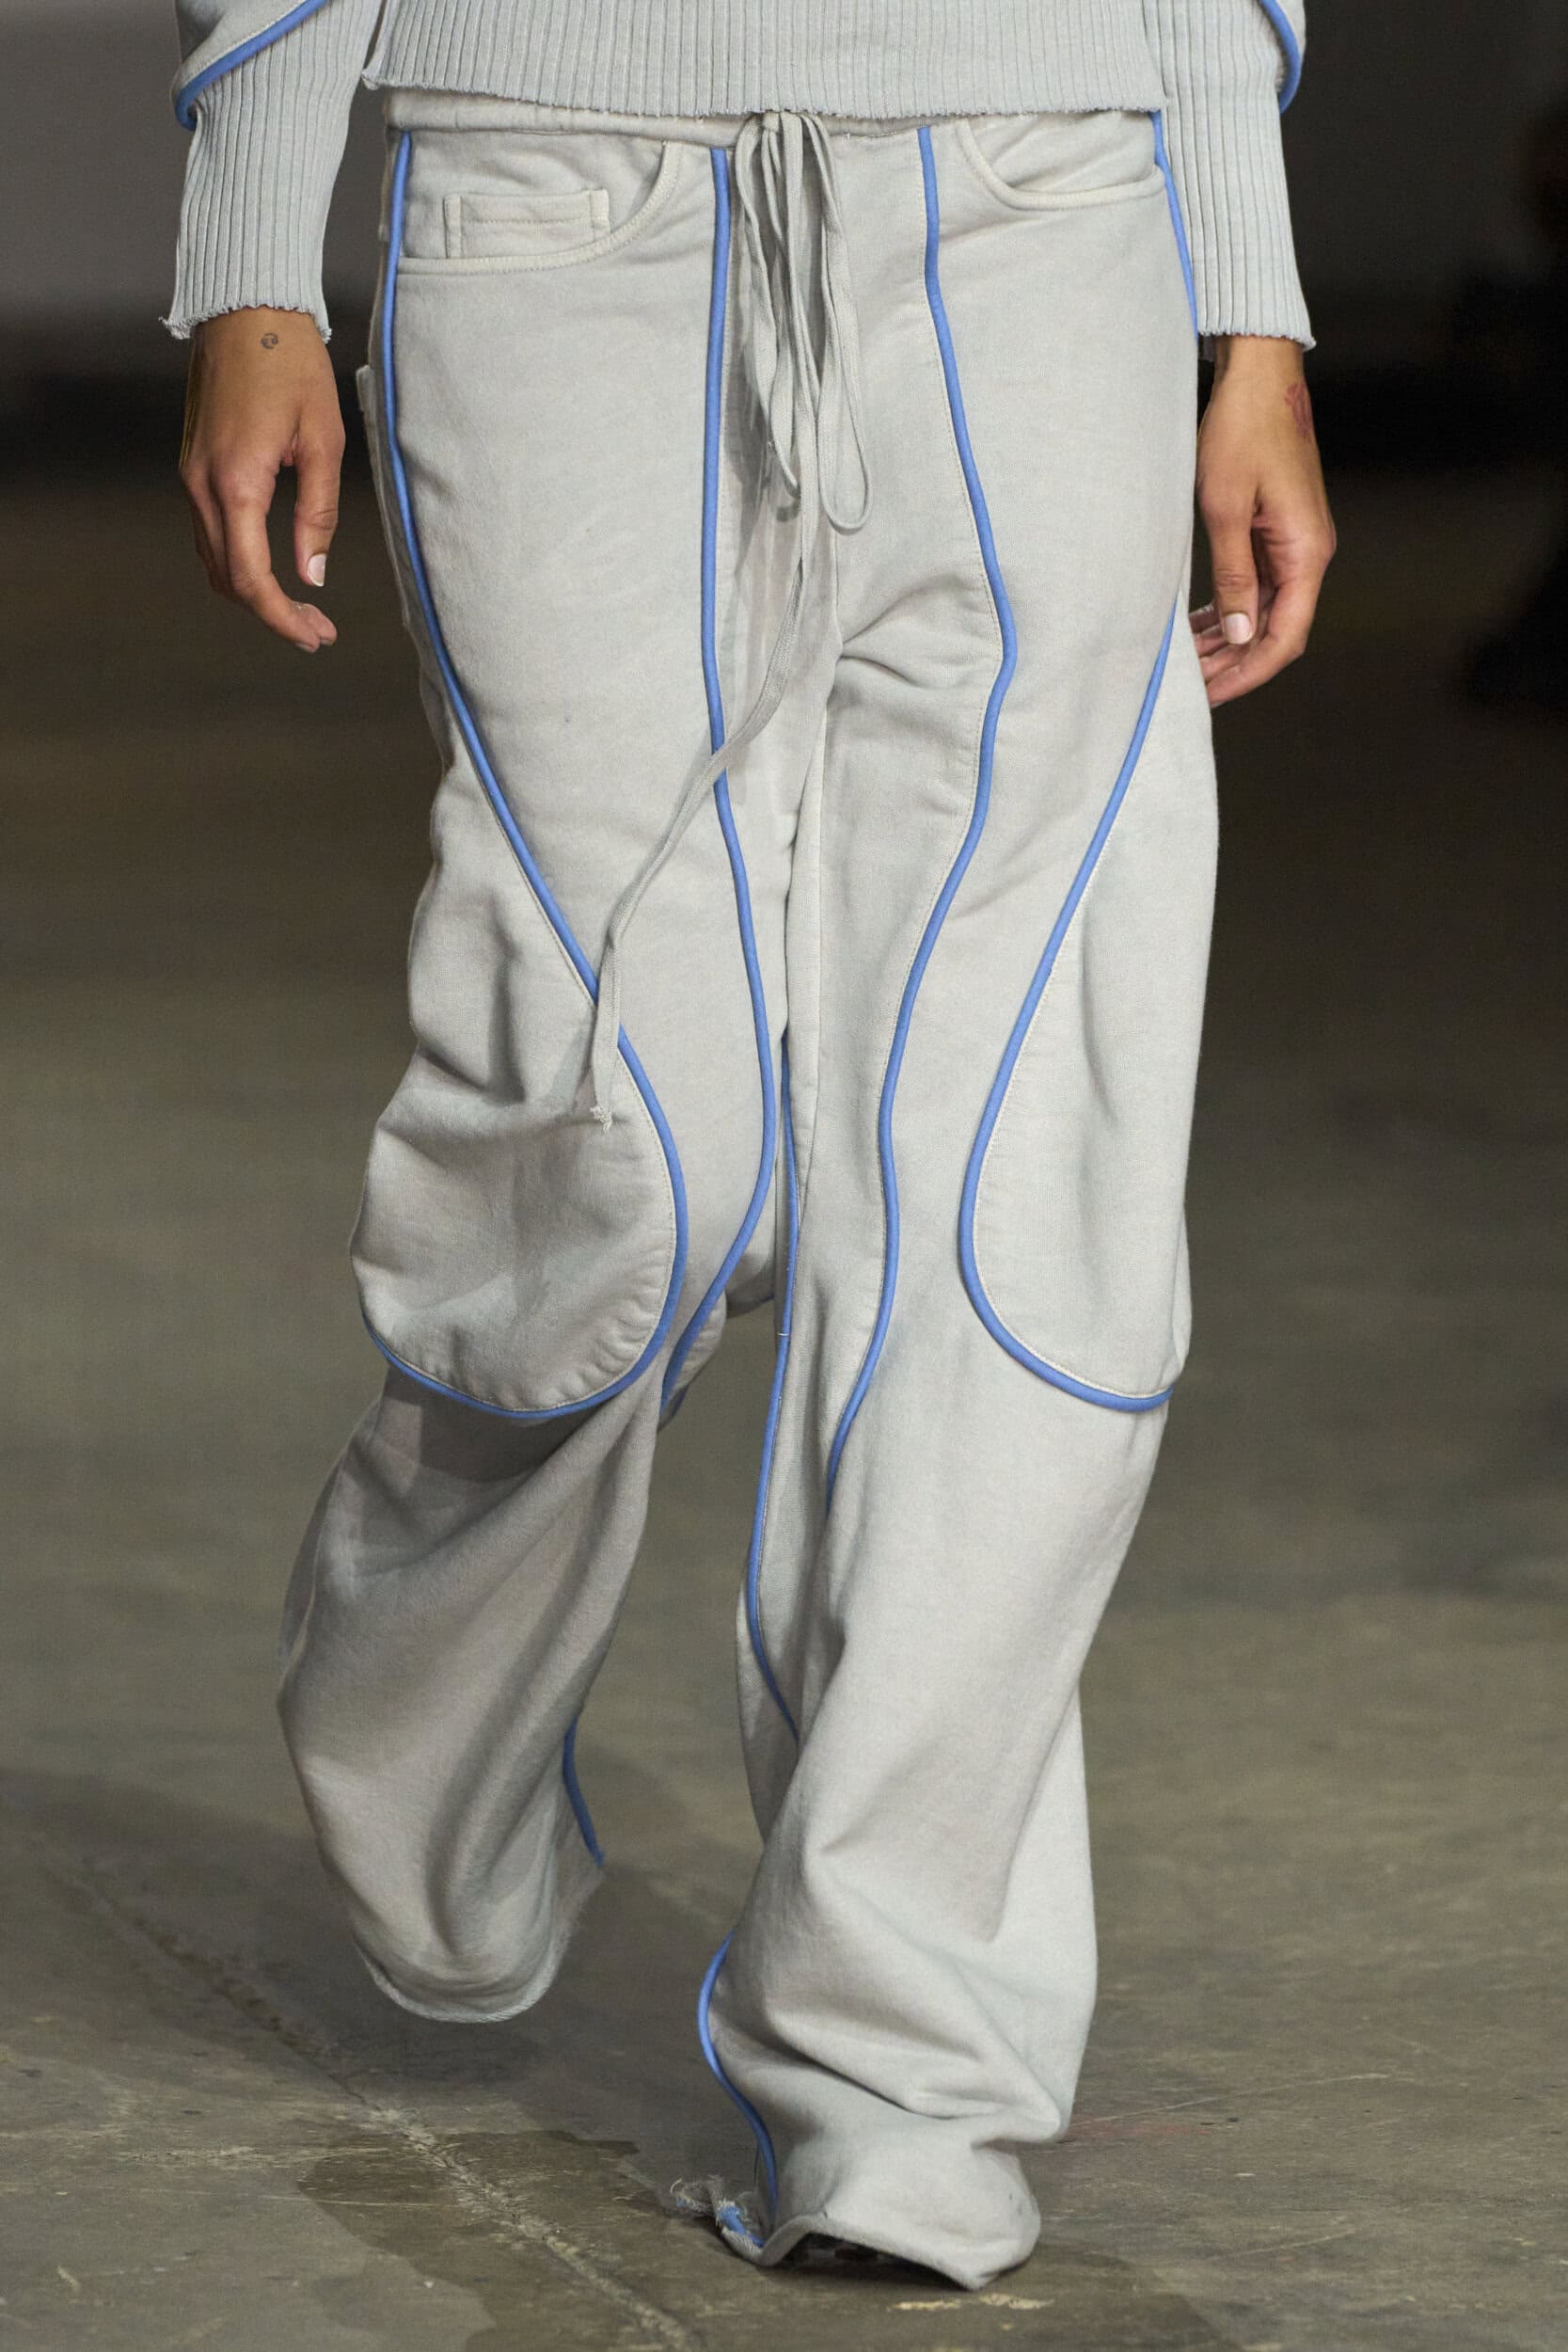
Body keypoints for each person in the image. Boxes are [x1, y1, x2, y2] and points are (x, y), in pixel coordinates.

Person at [169, 0, 1334, 2291]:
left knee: (1010, 1177)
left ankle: (904, 2077)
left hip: (1046, 194)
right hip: (551, 196)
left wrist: (1250, 300)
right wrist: (251, 243)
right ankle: (417, 1676)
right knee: (623, 1154)